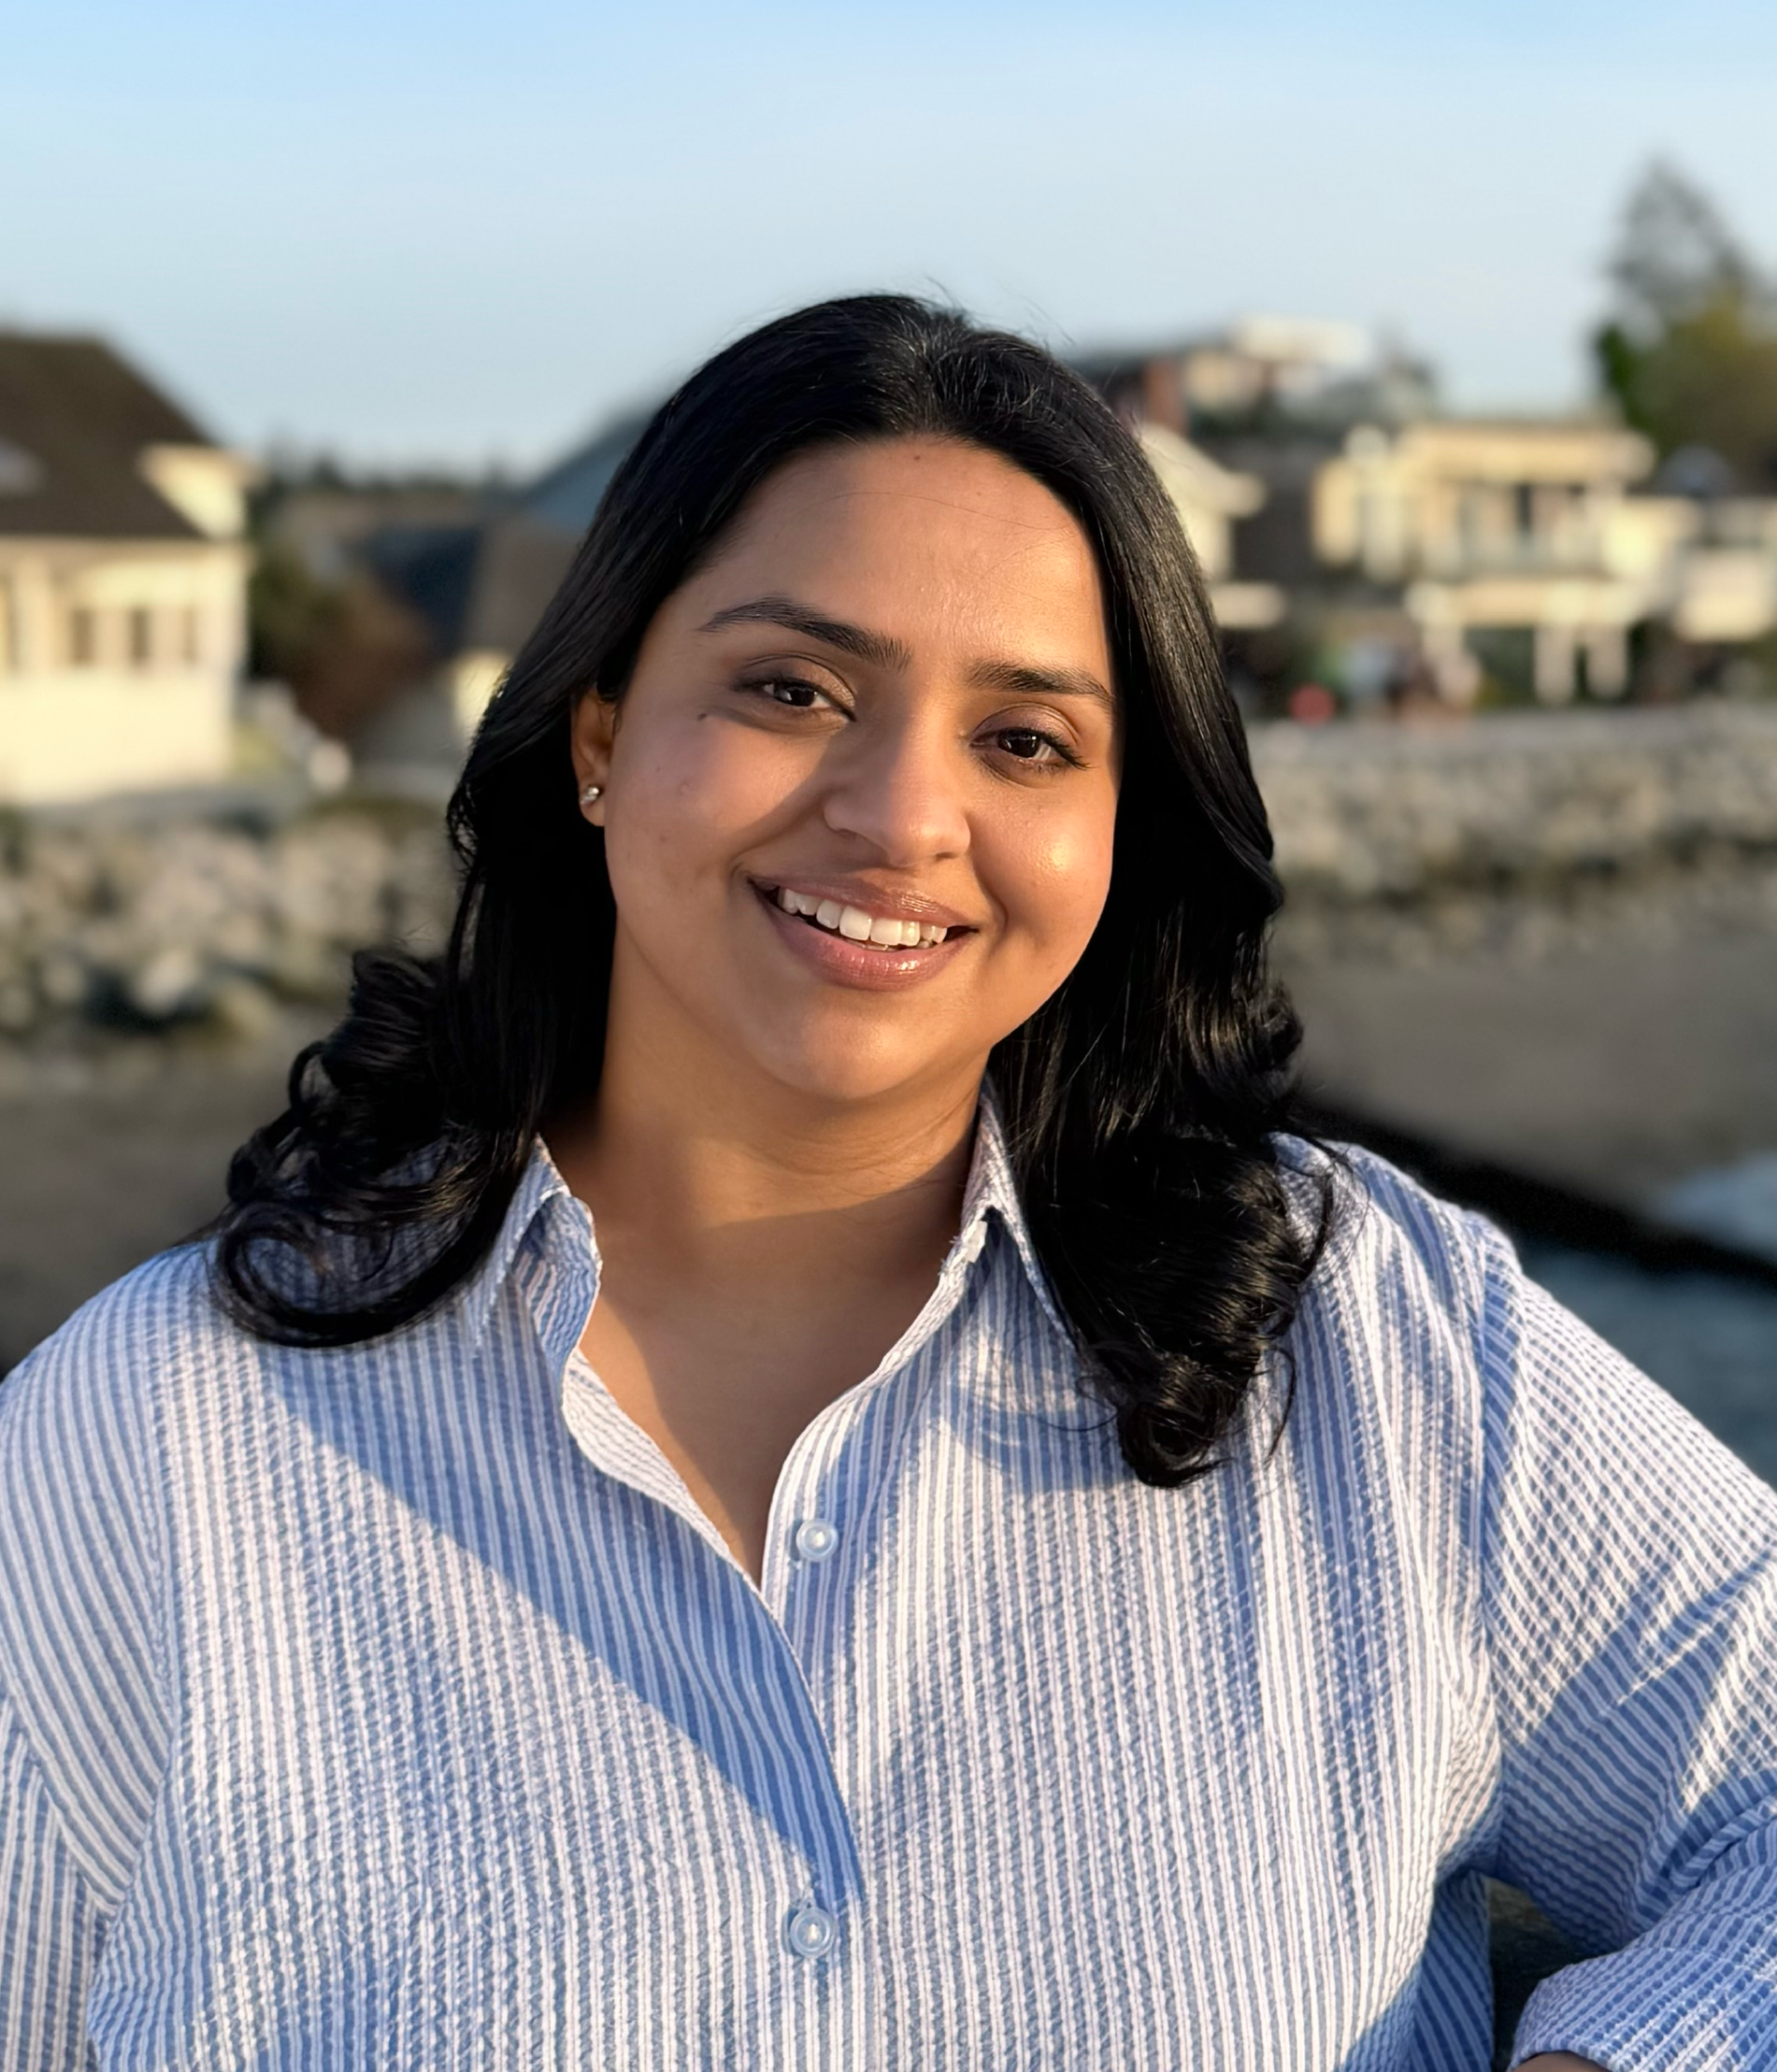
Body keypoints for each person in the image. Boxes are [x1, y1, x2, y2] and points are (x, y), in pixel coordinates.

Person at [2, 296, 1772, 2071]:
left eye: (1026, 740)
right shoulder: (144, 1447)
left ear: (1117, 825)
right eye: (792, 688)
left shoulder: (1372, 1355)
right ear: (599, 727)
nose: (902, 815)